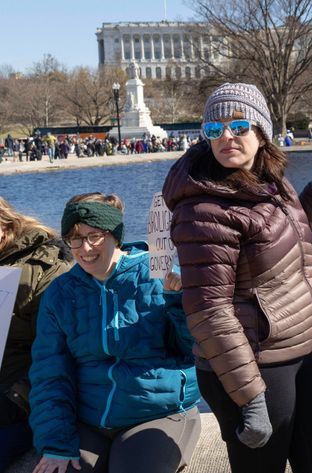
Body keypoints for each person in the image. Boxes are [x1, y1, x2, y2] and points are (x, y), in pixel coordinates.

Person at [162, 83, 312, 473]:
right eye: (214, 129)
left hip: (303, 350)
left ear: (262, 133)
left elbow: (279, 240)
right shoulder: (202, 208)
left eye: (239, 125)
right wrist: (250, 397)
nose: (227, 136)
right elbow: (209, 310)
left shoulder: (267, 181)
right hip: (253, 367)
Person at [29, 193, 201, 473]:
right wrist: (56, 444)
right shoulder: (60, 293)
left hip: (156, 413)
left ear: (115, 234)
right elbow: (49, 374)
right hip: (89, 420)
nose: (85, 248)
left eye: (94, 235)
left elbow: (193, 349)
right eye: (74, 237)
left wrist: (178, 304)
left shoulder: (160, 274)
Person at [0, 198, 70, 469]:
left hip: (19, 393)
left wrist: (19, 395)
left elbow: (55, 350)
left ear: (5, 222)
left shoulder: (45, 265)